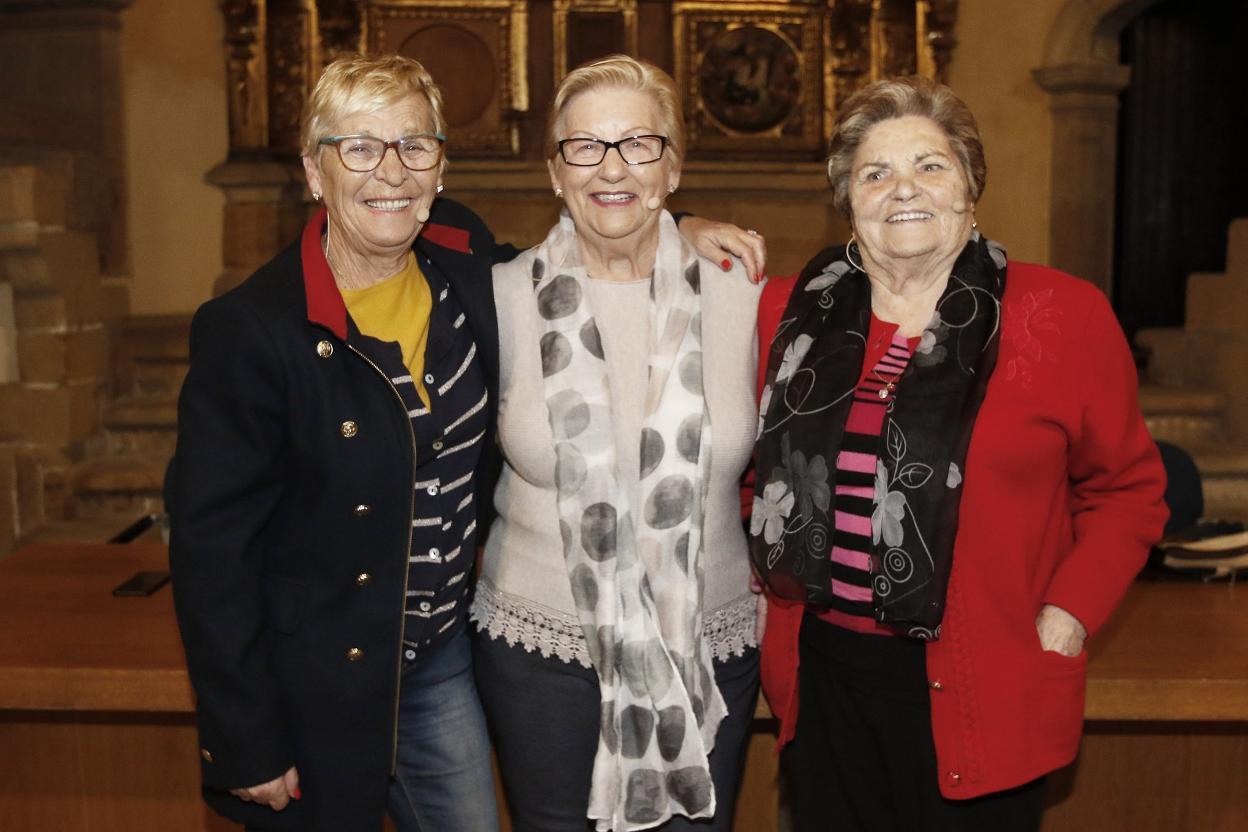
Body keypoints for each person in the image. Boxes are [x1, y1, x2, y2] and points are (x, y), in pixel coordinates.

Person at [166, 53, 764, 832]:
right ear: (315, 172)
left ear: (441, 165)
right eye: (360, 146)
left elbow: (608, 232)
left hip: (440, 656)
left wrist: (677, 225)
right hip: (331, 666)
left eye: (415, 145)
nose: (392, 171)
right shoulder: (256, 330)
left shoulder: (467, 266)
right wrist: (242, 738)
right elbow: (212, 551)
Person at [748, 75, 1168, 831]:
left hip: (986, 679)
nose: (903, 188)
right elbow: (754, 470)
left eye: (930, 166)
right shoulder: (789, 311)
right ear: (848, 201)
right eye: (875, 173)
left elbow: (1129, 490)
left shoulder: (1060, 314)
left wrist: (1068, 613)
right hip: (824, 679)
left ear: (971, 188)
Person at [470, 56, 764, 832]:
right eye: (585, 147)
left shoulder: (743, 289)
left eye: (639, 144)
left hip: (708, 647)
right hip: (542, 657)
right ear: (555, 173)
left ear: (673, 167)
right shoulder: (496, 297)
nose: (612, 167)